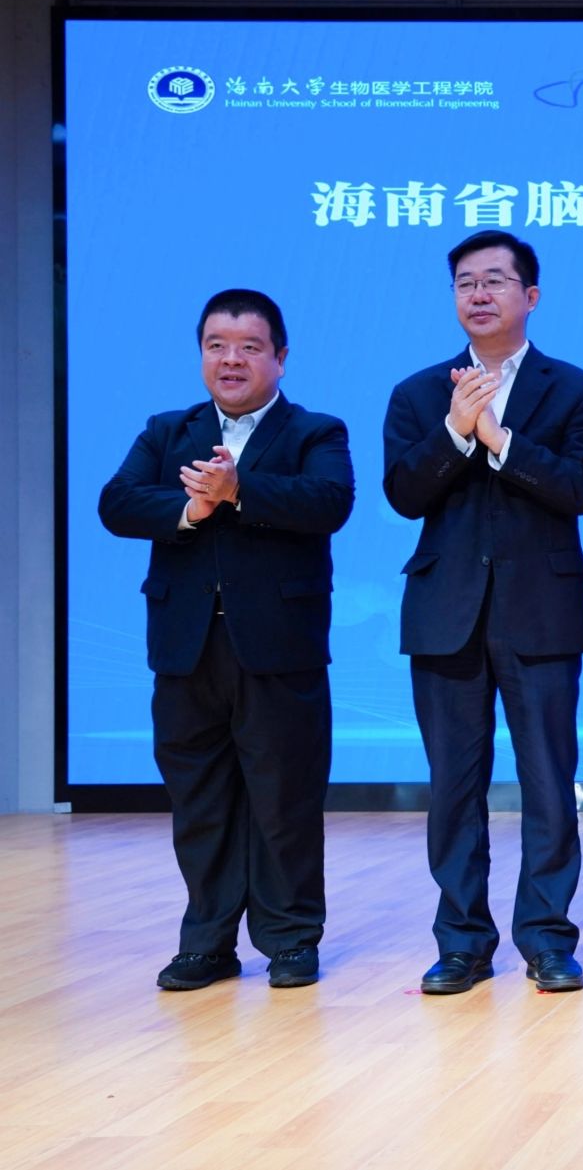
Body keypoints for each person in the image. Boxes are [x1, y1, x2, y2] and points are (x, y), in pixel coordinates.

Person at [98, 290, 354, 991]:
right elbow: (117, 502)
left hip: (278, 647)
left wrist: (241, 491)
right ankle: (207, 941)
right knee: (199, 800)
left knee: (285, 798)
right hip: (185, 649)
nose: (231, 359)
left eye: (249, 347)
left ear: (280, 357)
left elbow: (329, 502)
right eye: (217, 345)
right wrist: (191, 507)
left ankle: (290, 938)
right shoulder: (167, 431)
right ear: (201, 355)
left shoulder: (315, 431)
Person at [383, 231, 583, 995]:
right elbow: (403, 492)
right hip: (444, 613)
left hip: (541, 611)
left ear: (530, 296)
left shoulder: (577, 390)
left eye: (495, 280)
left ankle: (547, 939)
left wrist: (501, 440)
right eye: (465, 283)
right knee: (453, 787)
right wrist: (456, 432)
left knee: (549, 781)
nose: (478, 294)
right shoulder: (419, 394)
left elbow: (580, 488)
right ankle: (461, 943)